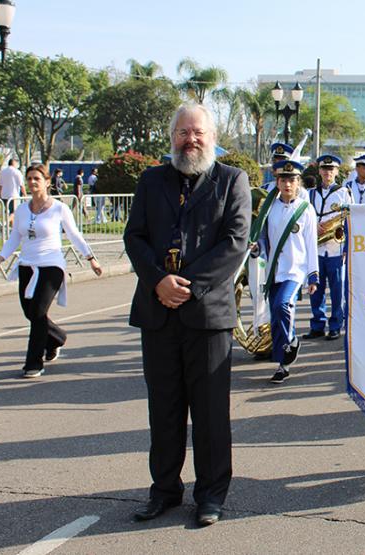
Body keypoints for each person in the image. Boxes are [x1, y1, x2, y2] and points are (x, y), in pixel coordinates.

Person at [123, 103, 250, 527]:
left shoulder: (233, 181)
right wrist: (159, 280)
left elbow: (234, 243)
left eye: (198, 133)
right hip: (157, 312)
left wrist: (188, 286)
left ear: (212, 137)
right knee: (164, 409)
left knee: (211, 413)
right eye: (182, 132)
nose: (190, 140)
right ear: (171, 136)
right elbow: (135, 236)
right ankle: (164, 490)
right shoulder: (151, 180)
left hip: (208, 316)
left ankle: (211, 496)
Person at [0, 164, 102, 378]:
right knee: (30, 313)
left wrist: (91, 259)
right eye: (29, 178)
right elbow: (14, 238)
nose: (32, 182)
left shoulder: (59, 208)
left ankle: (34, 362)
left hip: (51, 266)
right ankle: (57, 337)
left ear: (47, 182)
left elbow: (74, 234)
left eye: (36, 179)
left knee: (38, 312)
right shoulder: (21, 210)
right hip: (27, 266)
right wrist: (0, 259)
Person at [259, 159, 319, 383]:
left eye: (292, 180)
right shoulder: (270, 206)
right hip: (274, 268)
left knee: (282, 305)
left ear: (298, 182)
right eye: (283, 179)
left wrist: (313, 275)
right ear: (277, 181)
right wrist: (258, 248)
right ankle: (282, 364)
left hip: (295, 269)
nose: (287, 184)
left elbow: (311, 243)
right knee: (276, 316)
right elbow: (264, 237)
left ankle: (291, 343)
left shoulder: (305, 209)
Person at [304, 154, 350, 340]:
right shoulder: (310, 193)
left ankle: (336, 325)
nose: (327, 173)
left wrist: (347, 246)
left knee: (337, 291)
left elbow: (349, 219)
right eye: (324, 169)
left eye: (331, 169)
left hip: (335, 248)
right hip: (316, 248)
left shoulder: (344, 192)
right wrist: (314, 224)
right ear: (319, 171)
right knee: (316, 288)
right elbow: (304, 215)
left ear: (337, 172)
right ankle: (317, 324)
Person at [0, 158, 25, 225]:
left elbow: (0, 185)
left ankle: (12, 228)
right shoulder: (17, 172)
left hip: (4, 195)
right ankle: (4, 223)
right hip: (14, 195)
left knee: (9, 212)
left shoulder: (3, 172)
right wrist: (25, 195)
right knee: (15, 212)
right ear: (14, 163)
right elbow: (21, 184)